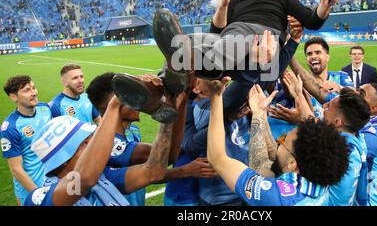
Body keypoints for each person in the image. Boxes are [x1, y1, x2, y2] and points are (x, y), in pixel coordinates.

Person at [153, 0, 343, 83]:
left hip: (264, 43)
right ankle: (161, 87)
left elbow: (312, 21)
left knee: (235, 36)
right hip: (232, 43)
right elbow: (216, 33)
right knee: (187, 41)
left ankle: (208, 67)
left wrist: (325, 4)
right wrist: (223, 4)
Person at [206, 79, 350, 206]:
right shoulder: (319, 178)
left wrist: (216, 96)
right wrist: (259, 114)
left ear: (293, 164)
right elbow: (264, 168)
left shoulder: (278, 199)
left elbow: (217, 158)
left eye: (282, 142)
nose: (277, 143)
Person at [24, 91, 176, 206]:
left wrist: (168, 110)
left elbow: (153, 171)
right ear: (63, 159)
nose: (92, 145)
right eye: (84, 143)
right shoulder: (39, 199)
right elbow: (82, 181)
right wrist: (115, 104)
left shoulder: (102, 177)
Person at [86, 72, 217, 206]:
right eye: (130, 94)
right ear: (109, 105)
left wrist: (182, 97)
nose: (137, 99)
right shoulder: (107, 144)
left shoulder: (132, 131)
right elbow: (165, 160)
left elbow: (155, 166)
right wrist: (185, 170)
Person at [181, 77, 251, 206]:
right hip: (221, 197)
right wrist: (228, 119)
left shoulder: (233, 99)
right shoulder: (201, 109)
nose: (220, 77)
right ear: (196, 87)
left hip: (245, 185)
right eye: (208, 75)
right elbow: (190, 147)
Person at [1, 75, 53, 205]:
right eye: (27, 90)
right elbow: (16, 169)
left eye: (34, 88)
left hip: (52, 182)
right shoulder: (10, 127)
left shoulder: (45, 109)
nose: (34, 93)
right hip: (30, 190)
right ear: (14, 97)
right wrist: (37, 193)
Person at [322, 87, 371, 206]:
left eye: (328, 107)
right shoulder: (358, 140)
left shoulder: (338, 149)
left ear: (337, 122)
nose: (323, 109)